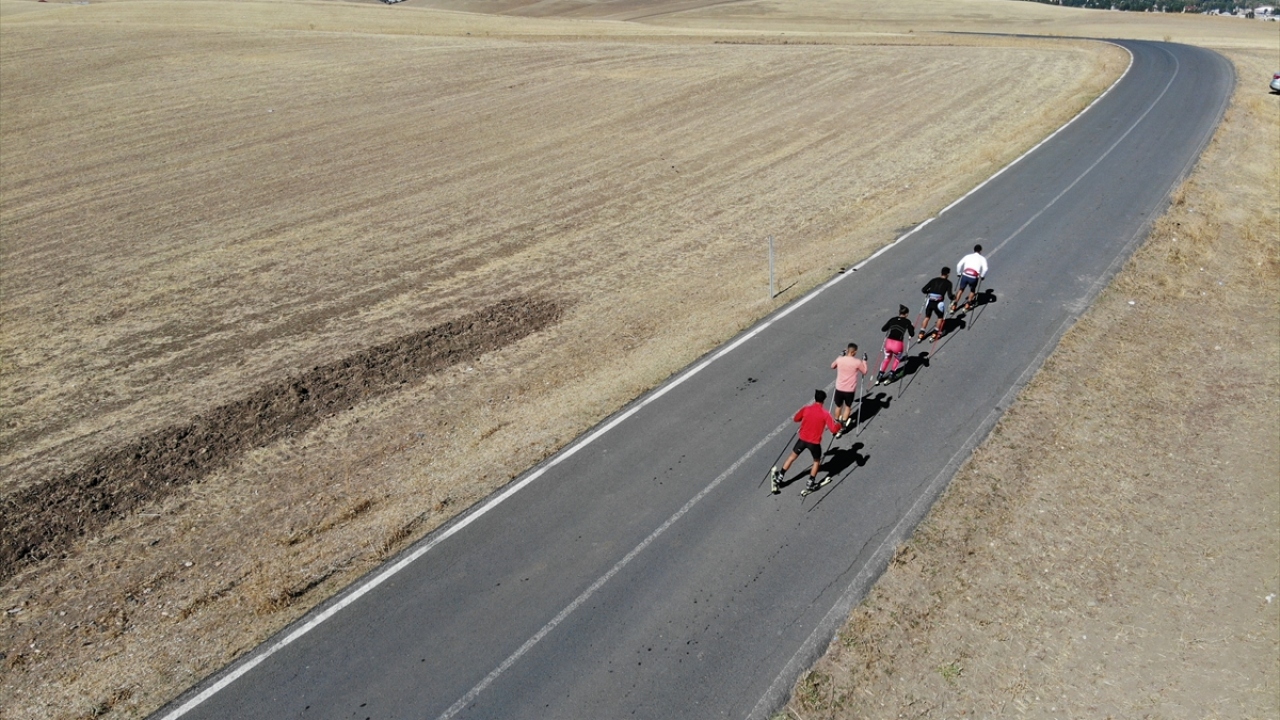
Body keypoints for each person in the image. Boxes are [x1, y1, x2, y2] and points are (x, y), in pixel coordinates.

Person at [771, 389, 841, 494]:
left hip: (802, 439)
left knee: (792, 457)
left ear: (815, 398)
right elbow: (833, 429)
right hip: (814, 443)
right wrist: (839, 425)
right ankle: (810, 482)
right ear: (823, 401)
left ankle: (780, 477)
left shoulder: (806, 409)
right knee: (816, 462)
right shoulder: (825, 414)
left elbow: (796, 419)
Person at [831, 343, 867, 437]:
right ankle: (842, 426)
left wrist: (840, 356)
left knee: (838, 406)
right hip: (849, 390)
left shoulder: (840, 359)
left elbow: (832, 366)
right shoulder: (857, 362)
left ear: (847, 350)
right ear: (854, 352)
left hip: (839, 388)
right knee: (847, 407)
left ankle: (836, 423)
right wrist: (864, 361)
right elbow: (864, 371)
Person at [876, 305, 915, 385]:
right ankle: (891, 374)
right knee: (897, 359)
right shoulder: (907, 322)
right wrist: (912, 327)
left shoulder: (892, 319)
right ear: (906, 314)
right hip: (898, 344)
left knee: (887, 358)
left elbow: (883, 329)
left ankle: (880, 375)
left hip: (888, 343)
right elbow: (912, 334)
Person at [918, 267, 955, 342]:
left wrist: (929, 291)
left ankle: (921, 333)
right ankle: (935, 333)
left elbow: (923, 289)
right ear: (948, 274)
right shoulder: (948, 283)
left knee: (927, 317)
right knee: (940, 317)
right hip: (939, 303)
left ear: (941, 273)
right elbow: (950, 295)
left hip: (930, 301)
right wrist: (953, 298)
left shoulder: (933, 280)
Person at [953, 244, 988, 313]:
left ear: (974, 250)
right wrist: (982, 276)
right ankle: (967, 305)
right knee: (972, 290)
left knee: (961, 289)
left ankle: (954, 305)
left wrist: (959, 273)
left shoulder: (967, 256)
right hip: (973, 277)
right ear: (980, 251)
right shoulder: (982, 258)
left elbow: (959, 265)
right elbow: (985, 268)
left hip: (965, 275)